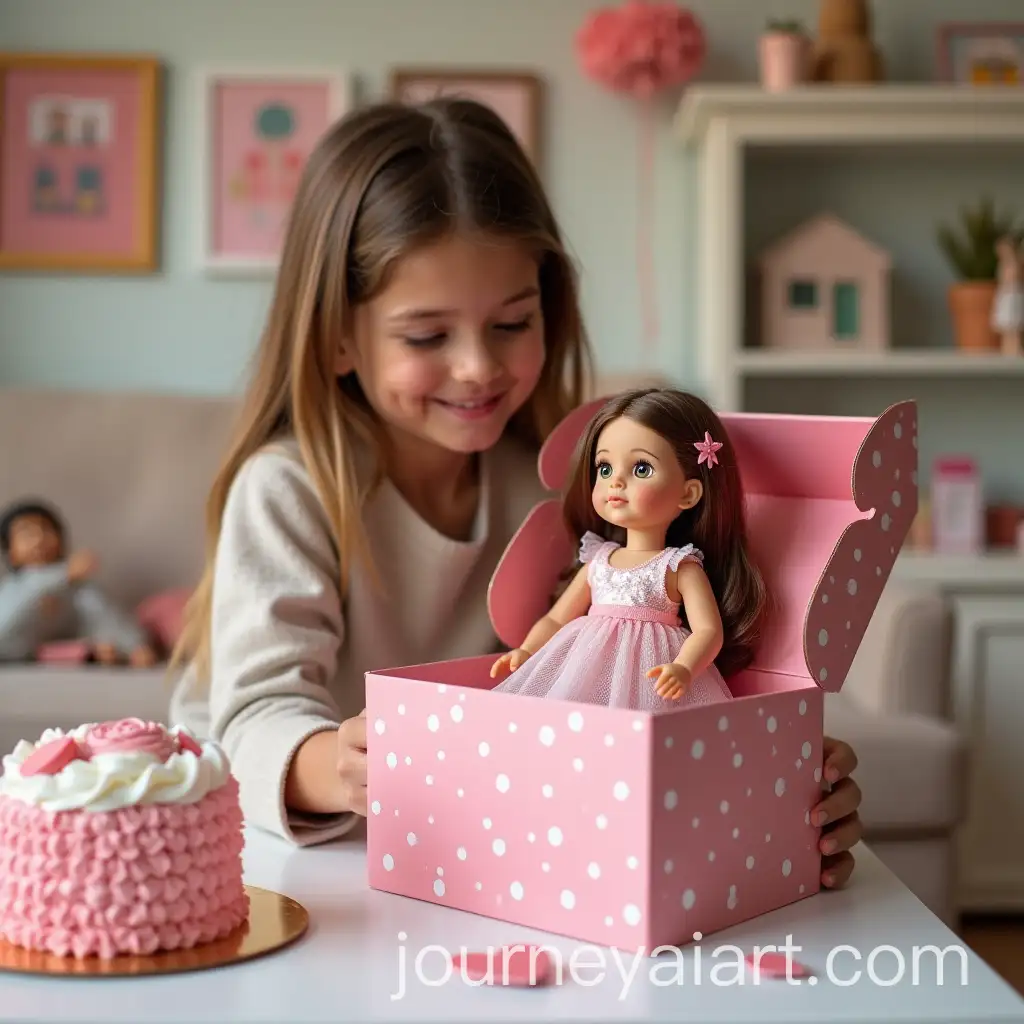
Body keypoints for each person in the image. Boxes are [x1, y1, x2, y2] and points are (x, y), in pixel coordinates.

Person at [169, 97, 864, 890]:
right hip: (300, 859)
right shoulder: (289, 489)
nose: (477, 367)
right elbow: (254, 716)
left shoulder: (565, 496)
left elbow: (616, 689)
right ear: (336, 337)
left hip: (493, 854)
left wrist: (770, 770)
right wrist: (334, 765)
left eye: (511, 323)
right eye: (427, 335)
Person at [491, 388, 762, 710]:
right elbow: (555, 620)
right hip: (583, 665)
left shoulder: (677, 566)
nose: (615, 482)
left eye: (641, 469)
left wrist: (684, 667)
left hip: (652, 672)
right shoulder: (598, 560)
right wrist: (528, 650)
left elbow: (707, 631)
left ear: (688, 494)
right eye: (604, 468)